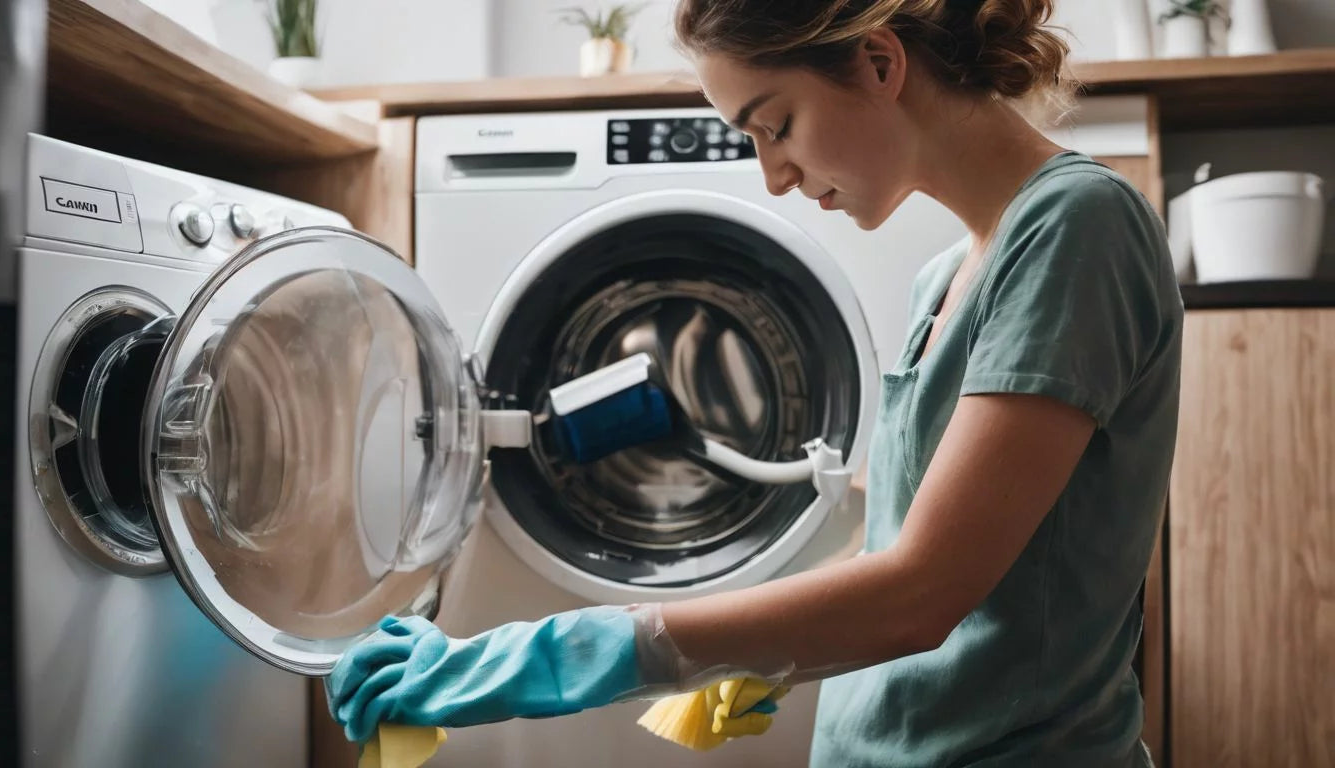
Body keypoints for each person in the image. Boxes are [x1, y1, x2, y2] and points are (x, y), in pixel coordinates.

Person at [326, 1, 1182, 765]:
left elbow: (924, 591)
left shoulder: (1077, 227)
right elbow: (893, 547)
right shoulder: (943, 278)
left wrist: (559, 652)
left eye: (775, 125)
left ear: (880, 64)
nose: (773, 173)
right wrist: (760, 649)